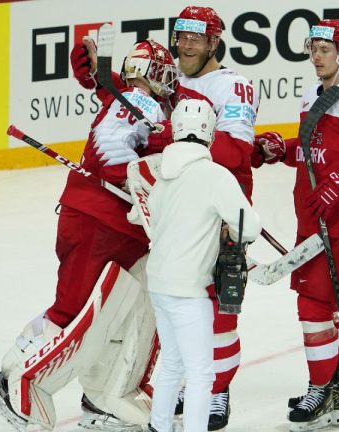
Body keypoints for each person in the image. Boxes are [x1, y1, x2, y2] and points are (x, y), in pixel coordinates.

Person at [70, 6, 259, 429]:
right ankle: (154, 393)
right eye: (182, 35)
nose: (186, 44)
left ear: (214, 42)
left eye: (197, 37)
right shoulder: (166, 77)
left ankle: (216, 392)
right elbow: (128, 106)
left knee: (217, 309)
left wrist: (170, 135)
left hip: (215, 208)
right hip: (169, 206)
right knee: (165, 307)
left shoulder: (234, 86)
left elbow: (235, 153)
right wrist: (100, 81)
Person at [0, 40, 177, 432]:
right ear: (153, 73)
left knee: (118, 313)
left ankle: (108, 396)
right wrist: (140, 165)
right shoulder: (140, 102)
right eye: (165, 76)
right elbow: (108, 150)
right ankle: (18, 382)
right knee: (77, 311)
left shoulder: (140, 102)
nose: (169, 85)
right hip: (98, 222)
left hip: (121, 227)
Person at [252, 19, 339, 431]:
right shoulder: (314, 93)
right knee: (321, 303)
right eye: (312, 48)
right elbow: (317, 149)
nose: (316, 56)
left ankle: (320, 391)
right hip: (315, 213)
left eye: (325, 50)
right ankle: (330, 391)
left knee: (314, 303)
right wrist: (283, 149)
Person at [145, 98, 261, 432]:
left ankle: (160, 426)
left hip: (160, 284)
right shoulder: (215, 175)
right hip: (189, 290)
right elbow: (248, 226)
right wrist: (231, 226)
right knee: (200, 374)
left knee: (172, 363)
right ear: (210, 133)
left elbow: (153, 217)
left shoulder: (162, 175)